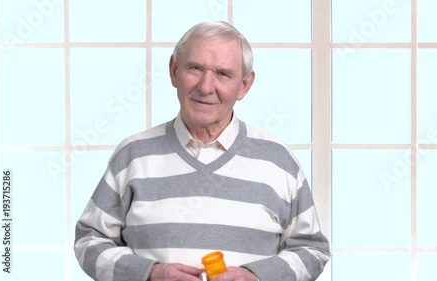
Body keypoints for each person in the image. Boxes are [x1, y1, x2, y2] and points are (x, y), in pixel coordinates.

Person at [74, 21, 330, 281]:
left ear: (244, 85)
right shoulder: (132, 155)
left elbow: (312, 250)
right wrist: (150, 274)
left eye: (223, 74)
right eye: (195, 68)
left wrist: (255, 277)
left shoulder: (278, 160)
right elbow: (90, 241)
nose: (206, 87)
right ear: (174, 71)